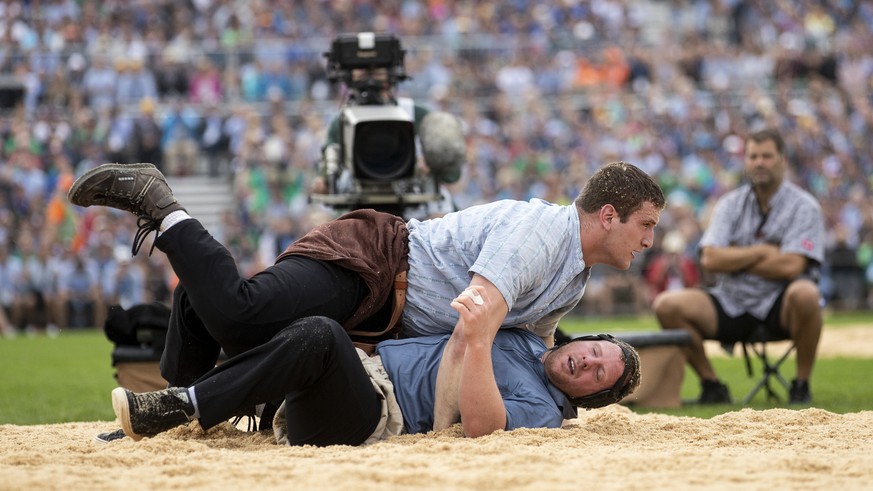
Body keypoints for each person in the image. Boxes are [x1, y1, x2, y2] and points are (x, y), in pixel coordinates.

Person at [68, 160, 663, 391]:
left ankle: (168, 412)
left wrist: (568, 392)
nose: (649, 240)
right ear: (607, 216)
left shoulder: (575, 277)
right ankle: (162, 203)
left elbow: (528, 353)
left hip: (383, 304)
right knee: (239, 314)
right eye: (645, 224)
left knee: (223, 318)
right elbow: (474, 324)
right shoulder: (541, 235)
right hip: (374, 263)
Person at [109, 289, 641, 445]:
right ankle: (162, 416)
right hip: (360, 370)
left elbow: (483, 428)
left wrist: (478, 344)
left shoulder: (547, 413)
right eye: (596, 351)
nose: (589, 362)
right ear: (587, 338)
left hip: (373, 413)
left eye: (599, 375)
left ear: (590, 397)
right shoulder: (525, 335)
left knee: (321, 334)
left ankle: (182, 407)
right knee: (203, 301)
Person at [652, 128, 825, 405]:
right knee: (666, 305)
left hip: (781, 305)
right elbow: (710, 259)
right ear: (745, 161)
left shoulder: (805, 207)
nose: (759, 162)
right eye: (753, 156)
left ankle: (801, 384)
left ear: (782, 160)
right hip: (732, 301)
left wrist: (734, 260)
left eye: (766, 156)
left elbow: (792, 267)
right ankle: (712, 384)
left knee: (806, 294)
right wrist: (763, 252)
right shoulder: (729, 204)